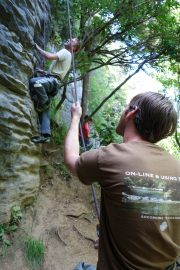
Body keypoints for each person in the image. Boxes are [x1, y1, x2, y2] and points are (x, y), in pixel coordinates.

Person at [64, 92, 180, 270]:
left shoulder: (110, 156)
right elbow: (151, 218)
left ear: (131, 113)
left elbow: (72, 159)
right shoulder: (176, 166)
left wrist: (75, 117)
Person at [29, 38, 80, 143]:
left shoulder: (66, 52)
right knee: (43, 108)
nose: (69, 39)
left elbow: (49, 57)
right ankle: (45, 135)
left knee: (35, 82)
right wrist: (43, 71)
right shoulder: (68, 56)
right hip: (53, 83)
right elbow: (56, 72)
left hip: (52, 82)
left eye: (72, 40)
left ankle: (45, 102)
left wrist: (37, 47)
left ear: (73, 47)